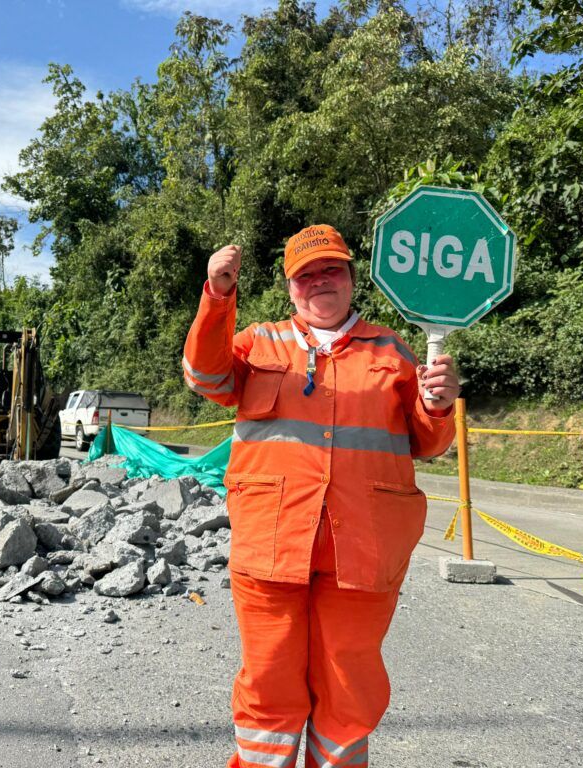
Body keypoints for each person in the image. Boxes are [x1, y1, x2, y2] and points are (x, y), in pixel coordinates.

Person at [183, 224, 460, 768]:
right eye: (305, 276)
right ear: (290, 290)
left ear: (351, 278)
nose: (319, 283)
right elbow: (204, 377)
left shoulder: (392, 349)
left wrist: (440, 403)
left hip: (363, 551)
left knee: (349, 682)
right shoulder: (259, 342)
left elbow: (429, 442)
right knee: (268, 678)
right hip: (270, 546)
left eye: (330, 270)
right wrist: (217, 295)